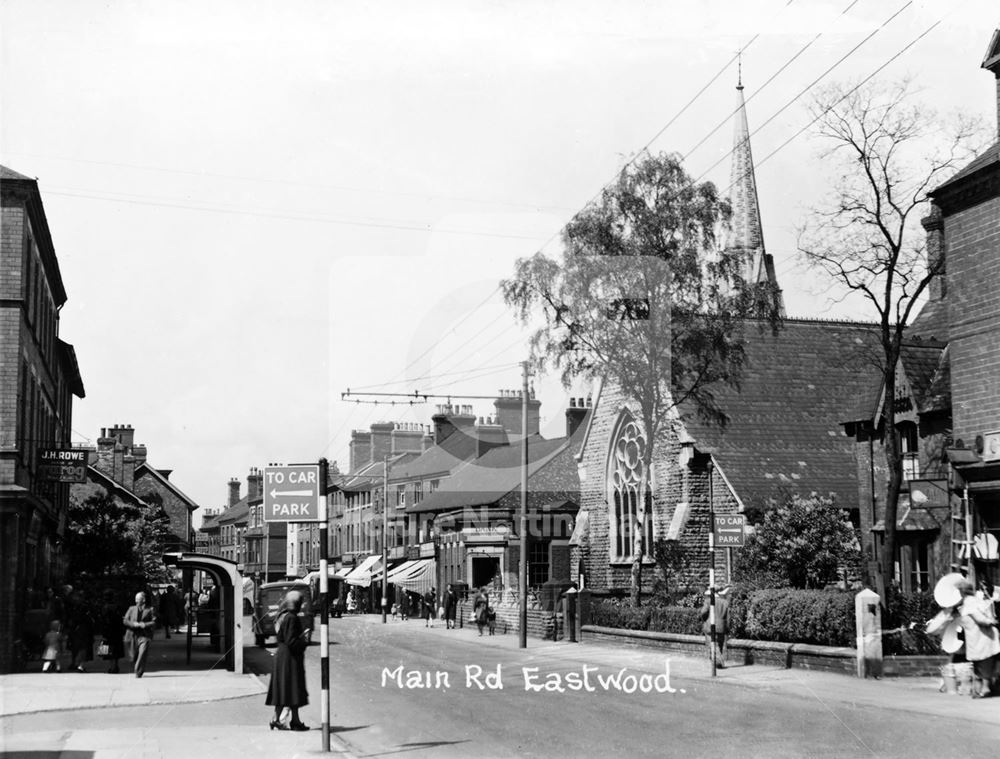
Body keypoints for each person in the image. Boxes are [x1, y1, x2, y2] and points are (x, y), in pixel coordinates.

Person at [266, 590, 310, 731]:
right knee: (293, 689)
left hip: (282, 657)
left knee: (284, 690)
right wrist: (304, 640)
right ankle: (294, 722)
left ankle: (277, 719)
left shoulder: (283, 616)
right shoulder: (292, 618)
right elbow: (291, 640)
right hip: (290, 658)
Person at [957, 581, 1000, 698]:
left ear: (962, 592)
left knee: (984, 662)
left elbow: (980, 619)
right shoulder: (970, 602)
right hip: (976, 637)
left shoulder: (971, 603)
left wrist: (990, 621)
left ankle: (985, 688)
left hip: (983, 638)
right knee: (979, 663)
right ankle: (979, 688)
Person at [123, 591, 157, 678]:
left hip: (144, 635)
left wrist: (144, 625)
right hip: (132, 634)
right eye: (136, 599)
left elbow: (154, 622)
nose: (136, 601)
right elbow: (125, 620)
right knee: (134, 655)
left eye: (138, 599)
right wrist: (133, 624)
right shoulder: (131, 609)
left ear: (144, 600)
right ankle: (137, 665)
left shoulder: (150, 609)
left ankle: (138, 671)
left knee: (143, 653)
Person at [700, 585, 730, 668]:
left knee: (712, 644)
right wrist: (727, 628)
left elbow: (703, 612)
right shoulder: (725, 602)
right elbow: (728, 617)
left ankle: (718, 662)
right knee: (719, 645)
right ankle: (716, 662)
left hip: (710, 626)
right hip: (721, 626)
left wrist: (704, 619)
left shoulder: (708, 601)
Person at [67, 590, 95, 672]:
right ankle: (80, 665)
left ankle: (76, 663)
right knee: (83, 648)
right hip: (83, 630)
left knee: (76, 647)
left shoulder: (74, 606)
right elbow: (88, 619)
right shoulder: (84, 607)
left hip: (76, 629)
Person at [99, 589, 126, 674]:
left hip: (108, 631)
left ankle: (112, 667)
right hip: (117, 631)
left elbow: (104, 621)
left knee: (110, 650)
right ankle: (115, 665)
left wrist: (103, 632)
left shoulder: (105, 607)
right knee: (116, 649)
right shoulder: (117, 606)